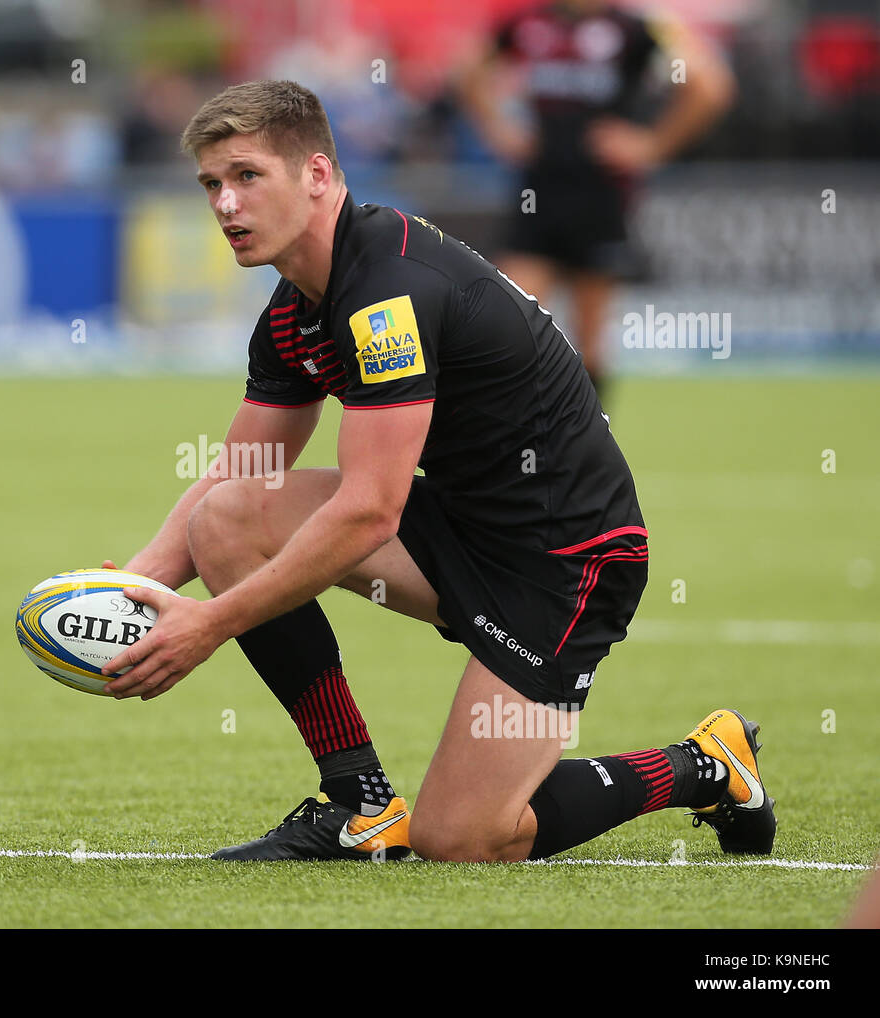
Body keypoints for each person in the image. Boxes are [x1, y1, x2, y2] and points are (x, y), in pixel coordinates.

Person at [99, 80, 773, 863]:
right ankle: (360, 806)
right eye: (212, 184)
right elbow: (241, 471)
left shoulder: (388, 295)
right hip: (459, 525)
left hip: (567, 562)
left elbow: (368, 514)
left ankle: (705, 765)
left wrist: (211, 625)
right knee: (225, 517)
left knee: (464, 837)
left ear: (317, 174)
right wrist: (133, 590)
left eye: (248, 176)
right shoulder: (292, 310)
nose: (224, 204)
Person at [457, 0, 735, 400]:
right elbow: (466, 71)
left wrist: (653, 145)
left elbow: (710, 86)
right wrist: (499, 130)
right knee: (507, 326)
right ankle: (517, 446)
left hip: (600, 199)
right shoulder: (529, 22)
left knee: (590, 342)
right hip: (539, 195)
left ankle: (587, 449)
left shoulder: (637, 27)